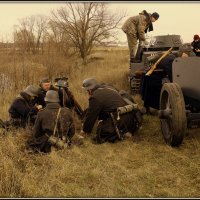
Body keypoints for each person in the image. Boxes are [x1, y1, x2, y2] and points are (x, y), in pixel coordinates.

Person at [78, 78, 142, 144]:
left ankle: (122, 133)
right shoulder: (108, 89)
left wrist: (84, 130)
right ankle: (126, 132)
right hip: (131, 121)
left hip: (119, 121)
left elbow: (91, 116)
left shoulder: (94, 97)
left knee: (101, 131)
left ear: (89, 90)